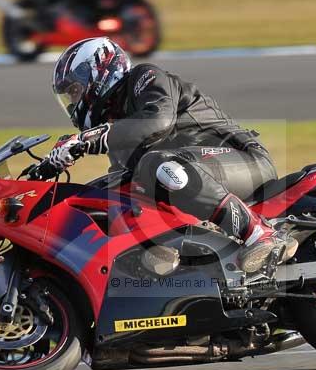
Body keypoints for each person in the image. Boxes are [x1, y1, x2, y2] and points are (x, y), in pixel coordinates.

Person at [31, 37, 297, 274]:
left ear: (99, 74)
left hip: (243, 160)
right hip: (195, 172)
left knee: (157, 163)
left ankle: (260, 234)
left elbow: (158, 121)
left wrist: (91, 138)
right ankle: (165, 261)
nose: (73, 103)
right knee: (110, 193)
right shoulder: (117, 121)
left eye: (75, 92)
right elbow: (118, 182)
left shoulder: (144, 78)